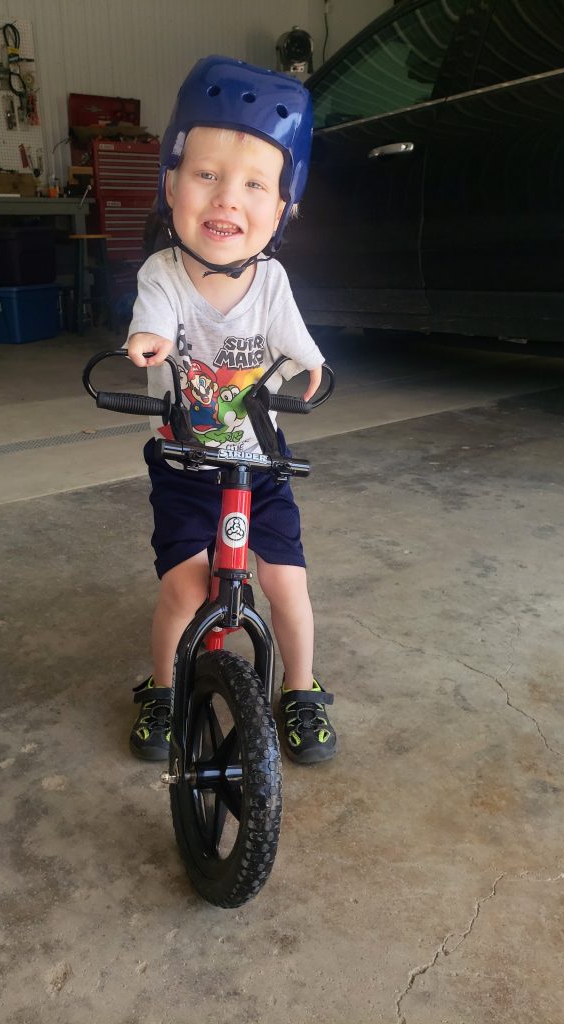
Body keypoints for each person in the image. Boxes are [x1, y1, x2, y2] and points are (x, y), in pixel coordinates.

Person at [126, 55, 337, 766]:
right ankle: (161, 686)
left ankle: (301, 691)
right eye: (206, 175)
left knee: (286, 587)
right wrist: (149, 342)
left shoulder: (271, 282)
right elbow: (150, 319)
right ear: (170, 186)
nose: (227, 199)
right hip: (187, 464)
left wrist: (312, 366)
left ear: (282, 208)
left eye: (254, 184)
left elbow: (298, 342)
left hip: (259, 466)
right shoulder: (162, 274)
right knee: (185, 589)